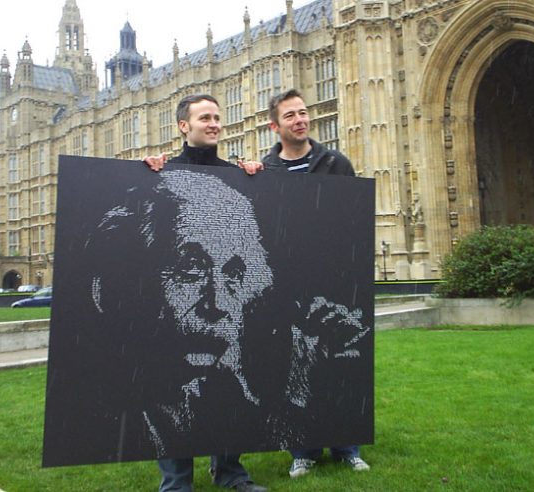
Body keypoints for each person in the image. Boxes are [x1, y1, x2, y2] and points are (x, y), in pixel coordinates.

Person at [141, 94, 267, 492]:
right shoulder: (163, 172)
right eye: (204, 118)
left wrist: (255, 173)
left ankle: (229, 472)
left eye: (217, 117)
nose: (214, 123)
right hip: (179, 302)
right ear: (184, 126)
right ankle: (176, 482)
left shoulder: (235, 174)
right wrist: (145, 171)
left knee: (227, 374)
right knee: (175, 380)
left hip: (224, 295)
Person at [261, 89, 371, 478]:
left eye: (303, 113)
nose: (300, 120)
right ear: (275, 126)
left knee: (341, 361)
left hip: (335, 277)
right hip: (290, 285)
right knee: (295, 366)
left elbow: (354, 219)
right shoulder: (266, 171)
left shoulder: (335, 163)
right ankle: (303, 449)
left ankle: (346, 445)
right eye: (290, 115)